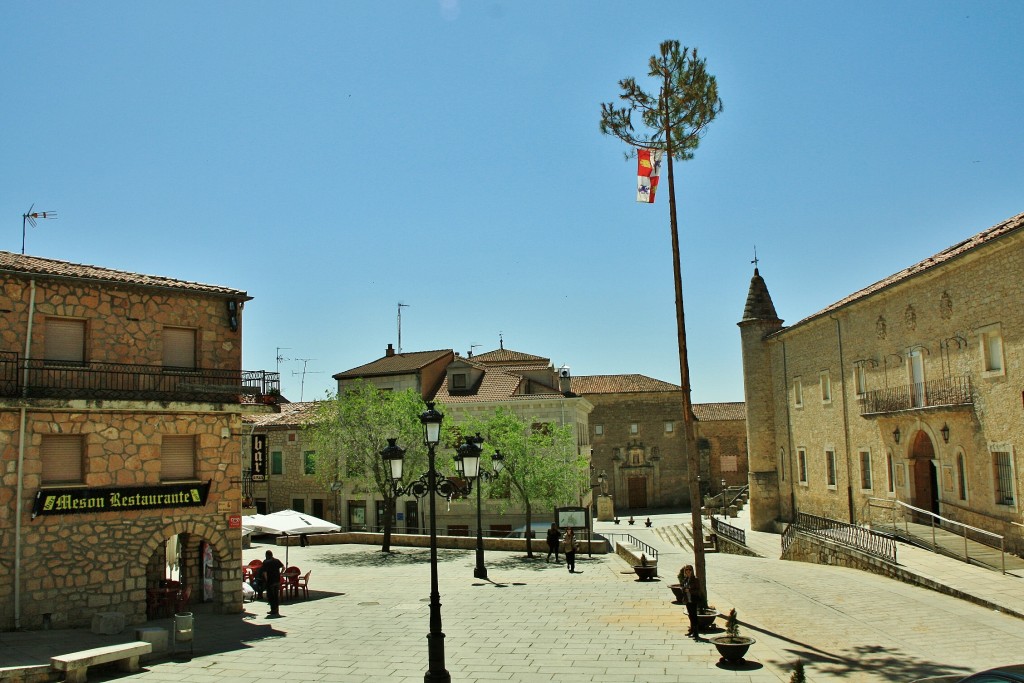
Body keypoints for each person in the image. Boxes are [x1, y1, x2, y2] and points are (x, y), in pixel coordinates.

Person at [258, 550, 285, 617]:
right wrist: (280, 574)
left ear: (267, 555)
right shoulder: (277, 560)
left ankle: (273, 609)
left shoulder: (265, 562)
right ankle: (276, 609)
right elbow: (283, 567)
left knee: (270, 596)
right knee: (276, 595)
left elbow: (265, 573)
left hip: (270, 581)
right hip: (277, 580)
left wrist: (267, 580)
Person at [679, 564, 702, 640]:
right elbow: (682, 587)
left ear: (692, 571)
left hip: (693, 599)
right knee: (690, 615)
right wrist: (683, 589)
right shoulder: (685, 579)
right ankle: (691, 630)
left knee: (694, 616)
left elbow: (698, 590)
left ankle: (696, 633)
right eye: (687, 570)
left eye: (689, 570)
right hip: (687, 600)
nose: (688, 571)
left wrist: (690, 590)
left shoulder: (695, 579)